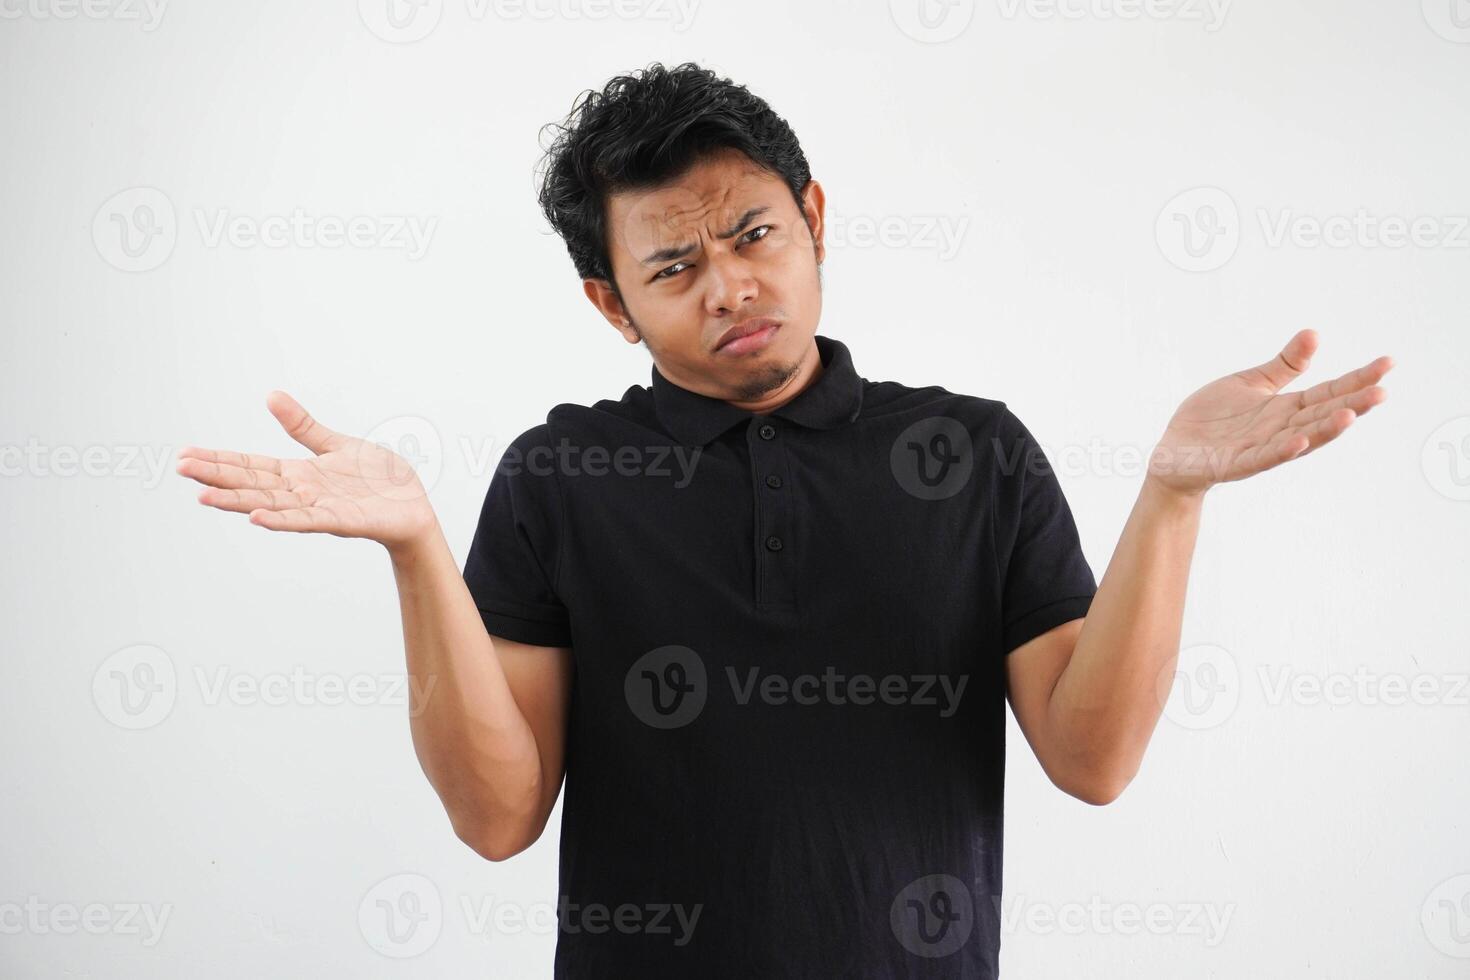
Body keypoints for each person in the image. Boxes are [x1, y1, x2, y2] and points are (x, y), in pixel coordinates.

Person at [176, 61, 1393, 979]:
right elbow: (499, 817)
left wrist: (1171, 498)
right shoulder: (563, 471)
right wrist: (414, 549)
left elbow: (1093, 758)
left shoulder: (969, 453)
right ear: (611, 303)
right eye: (673, 267)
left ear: (813, 213)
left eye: (754, 233)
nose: (732, 285)